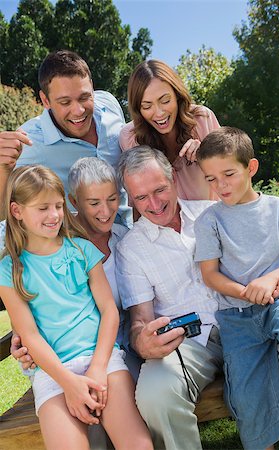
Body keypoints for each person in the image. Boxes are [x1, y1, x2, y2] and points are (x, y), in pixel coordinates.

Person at [0, 165, 153, 450]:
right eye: (43, 208)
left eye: (58, 206)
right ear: (17, 211)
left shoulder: (82, 250)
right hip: (53, 372)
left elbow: (109, 311)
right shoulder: (10, 270)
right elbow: (29, 336)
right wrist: (69, 384)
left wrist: (96, 369)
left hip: (103, 361)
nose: (55, 215)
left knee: (138, 446)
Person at [194, 126, 279, 450]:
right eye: (210, 179)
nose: (220, 185)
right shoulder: (209, 221)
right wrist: (246, 291)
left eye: (228, 174)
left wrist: (270, 281)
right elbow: (210, 275)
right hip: (237, 316)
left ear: (250, 168)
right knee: (245, 392)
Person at [115, 145, 223, 450]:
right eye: (140, 197)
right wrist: (142, 342)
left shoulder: (211, 213)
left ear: (173, 179)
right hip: (191, 343)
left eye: (159, 189)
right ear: (131, 199)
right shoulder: (132, 248)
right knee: (154, 393)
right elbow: (140, 320)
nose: (154, 204)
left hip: (245, 323)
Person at [0, 49, 131, 227]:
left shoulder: (109, 103)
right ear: (45, 101)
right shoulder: (30, 142)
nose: (79, 111)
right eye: (65, 102)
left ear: (92, 87)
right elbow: (6, 215)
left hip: (135, 230)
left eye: (84, 97)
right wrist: (3, 170)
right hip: (86, 248)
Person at [119, 59, 220, 201]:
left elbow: (230, 172)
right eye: (147, 106)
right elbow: (138, 198)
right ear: (138, 109)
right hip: (164, 223)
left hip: (211, 218)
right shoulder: (130, 137)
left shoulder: (202, 119)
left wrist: (206, 155)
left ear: (177, 95)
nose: (159, 113)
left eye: (165, 101)